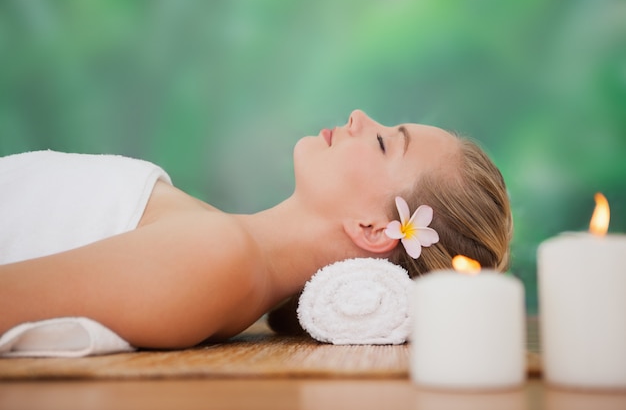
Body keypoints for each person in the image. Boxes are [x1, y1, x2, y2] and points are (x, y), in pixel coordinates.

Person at [0, 110, 512, 349]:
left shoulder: (214, 259)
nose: (359, 117)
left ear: (376, 229)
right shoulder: (217, 243)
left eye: (383, 143)